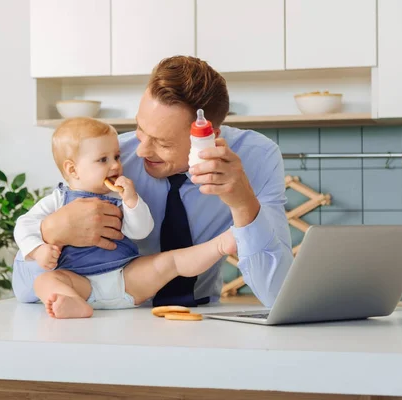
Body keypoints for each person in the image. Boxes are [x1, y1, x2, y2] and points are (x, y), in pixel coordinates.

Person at [12, 55, 293, 308]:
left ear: (207, 137)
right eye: (140, 128)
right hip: (108, 316)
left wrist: (243, 203)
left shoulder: (255, 158)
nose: (142, 150)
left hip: (203, 322)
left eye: (163, 143)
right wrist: (51, 231)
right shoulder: (105, 161)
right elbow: (25, 290)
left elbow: (278, 295)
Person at [14, 117, 236, 318]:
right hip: (80, 283)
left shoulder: (119, 196)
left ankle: (220, 245)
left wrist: (132, 202)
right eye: (103, 160)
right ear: (73, 170)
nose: (115, 165)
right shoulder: (57, 200)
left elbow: (140, 231)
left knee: (171, 260)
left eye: (117, 157)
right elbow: (24, 226)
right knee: (45, 281)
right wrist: (38, 249)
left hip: (126, 277)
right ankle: (72, 303)